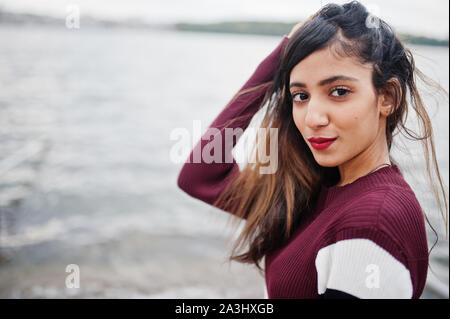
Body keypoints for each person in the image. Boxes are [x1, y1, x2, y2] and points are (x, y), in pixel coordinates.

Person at [177, 1, 448, 299]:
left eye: (339, 92)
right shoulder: (308, 193)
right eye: (301, 95)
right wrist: (281, 58)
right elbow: (201, 174)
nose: (313, 119)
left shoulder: (373, 222)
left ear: (387, 97)